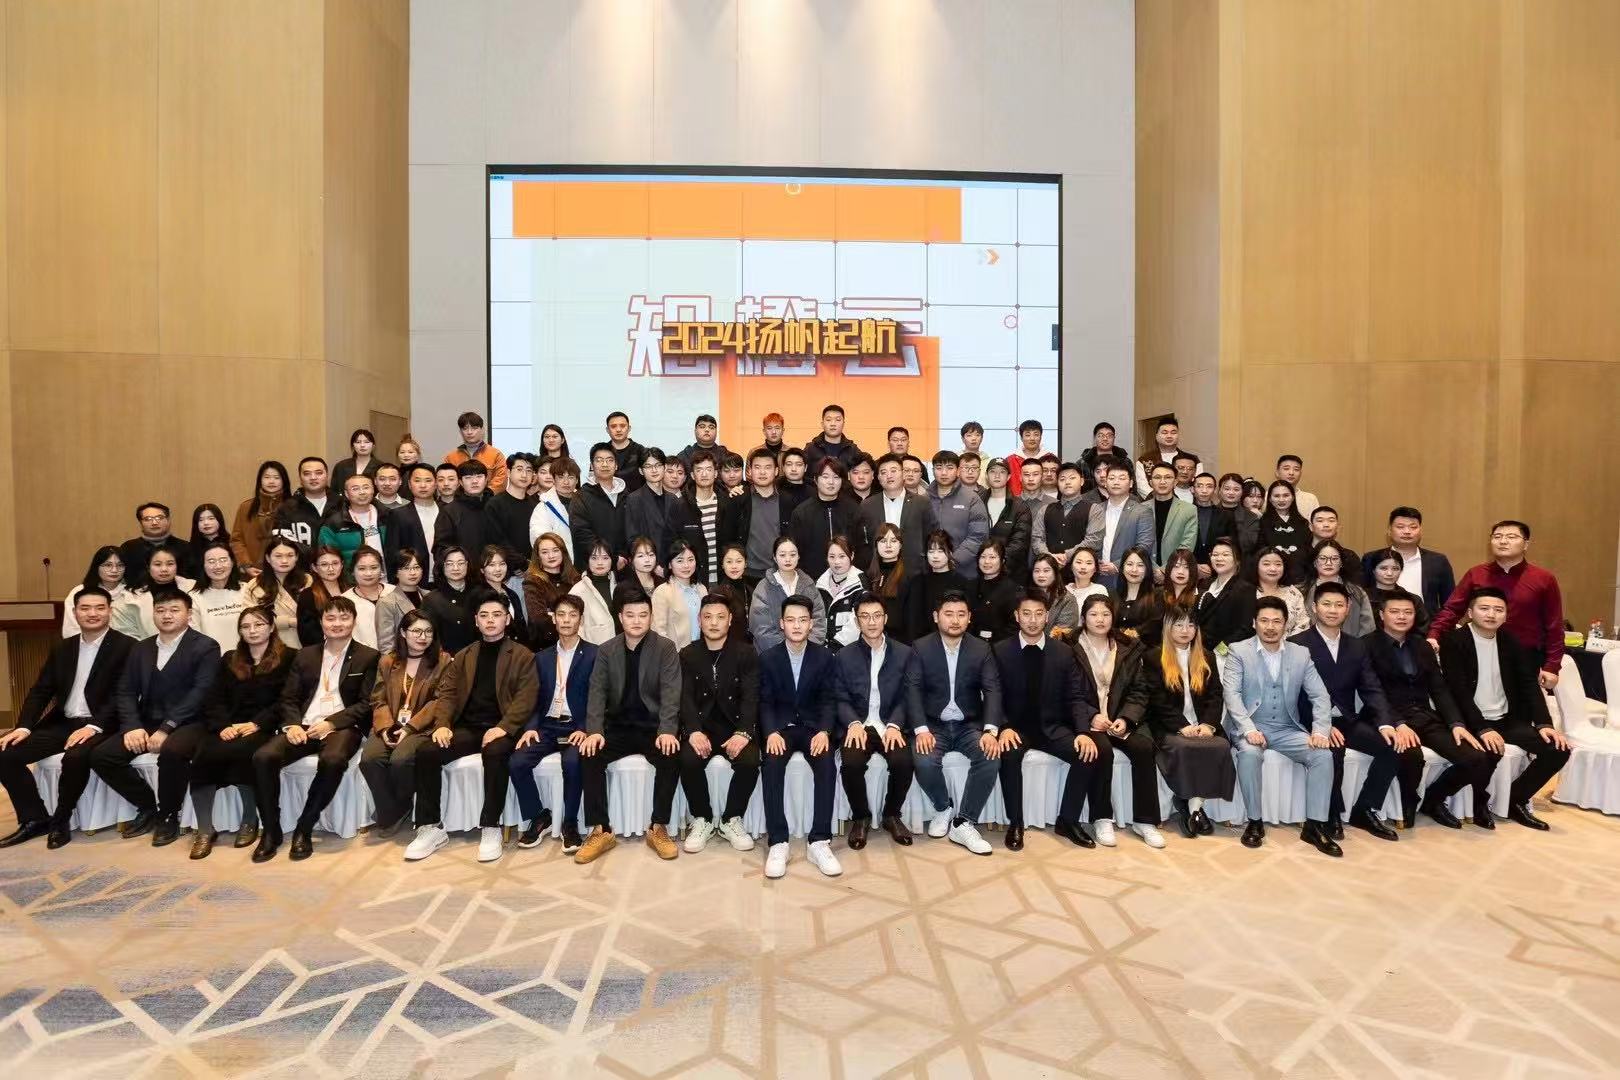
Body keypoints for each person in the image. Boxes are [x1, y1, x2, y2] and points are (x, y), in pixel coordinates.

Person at [402, 597, 536, 864]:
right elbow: (447, 694)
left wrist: (503, 727)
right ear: (476, 621)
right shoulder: (465, 655)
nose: (490, 620)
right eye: (484, 615)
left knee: (496, 753)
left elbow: (527, 697)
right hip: (468, 727)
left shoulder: (522, 655)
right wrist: (442, 725)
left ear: (507, 619)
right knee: (427, 751)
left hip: (501, 728)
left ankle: (491, 826)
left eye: (496, 614)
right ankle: (430, 827)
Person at [0, 588, 136, 849]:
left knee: (75, 757)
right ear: (75, 612)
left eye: (99, 607)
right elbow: (41, 690)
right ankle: (35, 819)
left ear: (110, 611)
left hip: (104, 723)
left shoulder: (127, 647)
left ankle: (61, 820)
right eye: (85, 608)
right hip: (63, 722)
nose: (92, 613)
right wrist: (24, 727)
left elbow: (123, 694)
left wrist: (94, 726)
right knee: (6, 754)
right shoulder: (63, 647)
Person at [250, 595, 381, 862]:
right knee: (263, 757)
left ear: (354, 621)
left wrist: (332, 723)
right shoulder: (305, 655)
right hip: (304, 725)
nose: (337, 623)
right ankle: (271, 830)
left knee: (333, 759)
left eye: (344, 617)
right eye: (330, 618)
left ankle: (304, 826)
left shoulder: (368, 656)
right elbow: (288, 698)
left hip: (341, 726)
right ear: (321, 622)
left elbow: (367, 703)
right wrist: (292, 725)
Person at [90, 587, 220, 846]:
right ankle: (149, 806)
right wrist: (132, 726)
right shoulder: (141, 648)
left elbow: (200, 692)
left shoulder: (205, 646)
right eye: (160, 610)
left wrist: (166, 728)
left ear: (188, 614)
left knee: (172, 751)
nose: (167, 616)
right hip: (148, 719)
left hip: (191, 721)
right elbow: (126, 690)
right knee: (102, 755)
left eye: (174, 610)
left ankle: (169, 815)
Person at [1437, 588, 1572, 831]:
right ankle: (1464, 802)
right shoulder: (1453, 641)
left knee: (1557, 749)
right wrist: (1482, 728)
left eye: (1498, 610)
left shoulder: (1511, 641)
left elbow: (1529, 684)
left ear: (1506, 615)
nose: (1491, 614)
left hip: (1505, 719)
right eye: (1484, 608)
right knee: (1488, 753)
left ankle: (1515, 800)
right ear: (1470, 612)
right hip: (1469, 720)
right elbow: (1458, 691)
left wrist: (1544, 724)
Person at [992, 589, 1112, 851]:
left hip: (1052, 727)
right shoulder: (1000, 651)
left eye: (1039, 614)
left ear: (1047, 617)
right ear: (1016, 616)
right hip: (1016, 728)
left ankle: (1067, 820)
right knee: (1008, 754)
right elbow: (993, 694)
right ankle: (1015, 822)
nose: (1033, 620)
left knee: (1087, 752)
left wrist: (1083, 732)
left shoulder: (1063, 652)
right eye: (1026, 614)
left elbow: (1076, 696)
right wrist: (1003, 727)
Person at [1220, 596, 1340, 856]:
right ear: (1254, 623)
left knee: (1323, 755)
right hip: (1251, 725)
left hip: (1287, 728)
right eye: (1264, 621)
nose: (1270, 627)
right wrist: (1249, 729)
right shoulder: (1239, 651)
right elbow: (1232, 695)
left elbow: (1320, 695)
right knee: (1249, 754)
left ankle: (1315, 826)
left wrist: (1320, 731)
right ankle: (1254, 822)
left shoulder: (1300, 653)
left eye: (1277, 621)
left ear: (1286, 624)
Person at [573, 588, 683, 864]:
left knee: (671, 754)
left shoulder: (665, 648)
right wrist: (594, 731)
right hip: (617, 726)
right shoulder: (607, 649)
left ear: (651, 617)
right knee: (589, 753)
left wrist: (667, 730)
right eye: (630, 615)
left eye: (643, 615)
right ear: (620, 617)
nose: (637, 620)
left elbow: (671, 693)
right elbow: (597, 692)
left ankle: (658, 827)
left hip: (652, 727)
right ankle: (601, 830)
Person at [1290, 581, 1407, 842]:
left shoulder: (1357, 645)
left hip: (1346, 719)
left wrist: (1386, 723)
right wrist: (1321, 726)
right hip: (1311, 721)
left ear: (1348, 608)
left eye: (1339, 605)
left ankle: (1364, 810)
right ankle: (1330, 814)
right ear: (1314, 607)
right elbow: (1293, 696)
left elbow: (1371, 687)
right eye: (1326, 604)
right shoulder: (1296, 644)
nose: (1333, 610)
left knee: (1392, 747)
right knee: (1333, 752)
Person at [1366, 590, 1488, 830]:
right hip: (1389, 718)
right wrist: (1397, 723)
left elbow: (1439, 689)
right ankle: (1409, 801)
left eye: (1408, 612)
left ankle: (1433, 800)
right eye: (1395, 612)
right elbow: (1372, 692)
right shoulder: (1366, 645)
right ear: (1381, 615)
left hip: (1424, 716)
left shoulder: (1422, 645)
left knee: (1475, 758)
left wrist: (1456, 723)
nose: (1402, 617)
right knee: (1411, 756)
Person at [184, 607, 296, 858]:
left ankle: (249, 820)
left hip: (264, 726)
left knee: (245, 752)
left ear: (271, 627)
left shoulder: (290, 657)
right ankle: (205, 830)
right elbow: (213, 698)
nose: (252, 631)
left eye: (258, 624)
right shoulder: (230, 659)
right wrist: (223, 726)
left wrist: (257, 724)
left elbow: (286, 700)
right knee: (204, 753)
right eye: (246, 626)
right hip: (228, 726)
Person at [755, 595, 842, 879]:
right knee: (771, 764)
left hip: (813, 728)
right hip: (781, 728)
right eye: (790, 620)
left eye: (802, 620)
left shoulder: (825, 657)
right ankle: (778, 841)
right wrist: (770, 732)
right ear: (781, 623)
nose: (796, 625)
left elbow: (829, 700)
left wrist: (825, 731)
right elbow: (765, 702)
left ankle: (819, 841)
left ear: (811, 624)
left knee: (826, 763)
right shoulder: (768, 658)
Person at [911, 591, 1004, 855]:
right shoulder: (921, 647)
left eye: (961, 614)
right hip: (933, 725)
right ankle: (943, 807)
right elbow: (912, 690)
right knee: (924, 761)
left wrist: (990, 730)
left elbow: (993, 689)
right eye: (949, 614)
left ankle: (964, 822)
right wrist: (920, 729)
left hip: (968, 725)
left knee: (990, 756)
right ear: (936, 617)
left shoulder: (981, 648)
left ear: (969, 618)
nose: (955, 620)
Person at [1069, 594, 1162, 847]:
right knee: (1102, 751)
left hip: (1119, 719)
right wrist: (1092, 715)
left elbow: (1139, 690)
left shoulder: (1128, 646)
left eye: (1106, 614)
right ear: (1083, 618)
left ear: (1114, 617)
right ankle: (1101, 817)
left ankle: (1145, 821)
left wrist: (1126, 718)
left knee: (1144, 747)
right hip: (1087, 720)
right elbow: (1066, 691)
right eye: (1094, 614)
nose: (1100, 620)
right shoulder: (1069, 646)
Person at [1138, 605, 1236, 839]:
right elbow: (1157, 700)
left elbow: (1215, 695)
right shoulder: (1153, 656)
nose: (1185, 630)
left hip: (1202, 724)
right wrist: (1182, 726)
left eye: (1191, 625)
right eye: (1179, 625)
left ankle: (1194, 807)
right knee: (1183, 746)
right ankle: (1187, 803)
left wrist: (1209, 724)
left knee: (1220, 745)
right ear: (1168, 627)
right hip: (1168, 725)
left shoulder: (1206, 656)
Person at [1430, 519, 1565, 689]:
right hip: (1479, 654)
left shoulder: (1544, 579)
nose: (1503, 541)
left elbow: (1554, 625)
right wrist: (1434, 634)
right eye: (1497, 536)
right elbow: (1452, 609)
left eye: (1511, 537)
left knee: (1523, 704)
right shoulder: (1476, 574)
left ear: (1526, 544)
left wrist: (1552, 666)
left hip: (1525, 656)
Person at [510, 594, 595, 853]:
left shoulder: (595, 654)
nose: (566, 620)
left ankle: (570, 823)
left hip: (576, 726)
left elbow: (599, 698)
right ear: (553, 619)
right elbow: (533, 698)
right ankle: (539, 816)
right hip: (547, 726)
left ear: (581, 620)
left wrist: (585, 728)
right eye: (561, 614)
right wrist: (530, 728)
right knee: (517, 761)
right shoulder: (541, 657)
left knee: (572, 762)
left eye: (572, 615)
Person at [675, 595, 760, 854]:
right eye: (708, 617)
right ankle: (701, 818)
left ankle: (730, 819)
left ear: (730, 620)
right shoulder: (688, 654)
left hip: (735, 726)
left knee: (750, 761)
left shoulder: (746, 652)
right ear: (699, 620)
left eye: (720, 617)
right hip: (703, 727)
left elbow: (751, 696)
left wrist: (743, 732)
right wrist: (693, 731)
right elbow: (685, 697)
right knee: (687, 760)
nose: (714, 623)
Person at [835, 594, 919, 849]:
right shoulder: (844, 655)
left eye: (877, 616)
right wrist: (852, 723)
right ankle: (860, 817)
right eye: (865, 616)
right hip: (859, 724)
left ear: (885, 618)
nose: (871, 622)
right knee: (851, 763)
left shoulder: (905, 653)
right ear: (856, 621)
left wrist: (895, 725)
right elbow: (839, 696)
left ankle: (891, 815)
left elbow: (908, 696)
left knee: (903, 761)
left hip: (889, 724)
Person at [359, 612, 448, 837]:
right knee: (370, 759)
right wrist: (385, 728)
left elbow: (439, 701)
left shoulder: (443, 661)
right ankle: (395, 810)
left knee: (401, 760)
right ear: (403, 633)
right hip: (389, 723)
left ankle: (397, 807)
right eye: (416, 631)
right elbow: (378, 699)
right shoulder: (388, 661)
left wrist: (409, 728)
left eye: (428, 632)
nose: (423, 637)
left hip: (421, 727)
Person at [1361, 506, 1456, 614]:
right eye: (1400, 527)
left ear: (1420, 530)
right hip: (1380, 621)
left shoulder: (1438, 561)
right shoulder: (1371, 558)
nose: (1407, 531)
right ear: (1390, 530)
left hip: (1426, 622)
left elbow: (1450, 603)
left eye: (1413, 527)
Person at [720, 446, 794, 582]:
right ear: (749, 471)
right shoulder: (738, 499)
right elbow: (727, 538)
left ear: (776, 471)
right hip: (746, 573)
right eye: (757, 467)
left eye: (768, 467)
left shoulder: (787, 501)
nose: (762, 472)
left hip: (779, 572)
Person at [855, 452, 937, 573]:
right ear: (878, 477)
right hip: (879, 572)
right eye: (883, 472)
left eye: (893, 471)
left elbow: (931, 536)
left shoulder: (921, 503)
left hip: (914, 571)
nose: (889, 476)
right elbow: (862, 542)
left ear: (903, 474)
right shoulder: (867, 505)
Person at [1081, 463, 1154, 588]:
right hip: (1097, 577)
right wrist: (1094, 563)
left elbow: (1144, 546)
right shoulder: (1096, 510)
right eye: (1111, 478)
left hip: (1128, 577)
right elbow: (1088, 540)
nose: (1116, 482)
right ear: (1105, 483)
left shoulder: (1142, 511)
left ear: (1131, 483)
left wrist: (1117, 565)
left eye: (1122, 478)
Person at [748, 537, 828, 649]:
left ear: (798, 556)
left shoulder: (809, 585)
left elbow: (818, 623)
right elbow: (761, 629)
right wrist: (786, 652)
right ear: (775, 557)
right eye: (782, 555)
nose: (788, 559)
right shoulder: (763, 588)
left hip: (808, 653)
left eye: (792, 555)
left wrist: (805, 650)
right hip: (773, 653)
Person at [791, 458, 861, 579]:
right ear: (815, 480)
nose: (831, 482)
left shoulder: (853, 509)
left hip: (849, 579)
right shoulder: (802, 513)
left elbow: (860, 548)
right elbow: (795, 551)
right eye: (825, 476)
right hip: (812, 580)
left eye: (836, 477)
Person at [898, 530, 972, 642]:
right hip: (921, 643)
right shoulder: (917, 582)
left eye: (941, 551)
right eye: (931, 551)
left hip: (954, 641)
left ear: (950, 553)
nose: (935, 556)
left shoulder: (962, 582)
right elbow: (911, 619)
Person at [393, 463, 458, 587]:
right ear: (409, 484)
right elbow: (393, 551)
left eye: (428, 480)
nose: (423, 485)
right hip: (413, 581)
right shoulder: (398, 515)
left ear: (435, 484)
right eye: (417, 481)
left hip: (446, 579)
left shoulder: (449, 512)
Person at [111, 548, 196, 640]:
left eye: (170, 564)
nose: (164, 569)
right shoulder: (131, 596)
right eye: (157, 564)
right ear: (148, 567)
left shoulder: (193, 588)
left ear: (177, 566)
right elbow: (126, 635)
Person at [926, 451, 990, 572]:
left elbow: (978, 536)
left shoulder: (972, 498)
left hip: (963, 570)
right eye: (939, 468)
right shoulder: (923, 499)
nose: (944, 473)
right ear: (933, 470)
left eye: (950, 468)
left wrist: (953, 560)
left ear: (958, 470)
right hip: (930, 570)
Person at [668, 450, 725, 584]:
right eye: (699, 470)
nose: (704, 474)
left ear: (716, 473)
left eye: (708, 469)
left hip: (723, 577)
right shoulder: (681, 505)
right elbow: (673, 542)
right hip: (693, 579)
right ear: (693, 475)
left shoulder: (726, 502)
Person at [317, 474, 391, 574]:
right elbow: (327, 557)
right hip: (351, 579)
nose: (362, 492)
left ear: (373, 490)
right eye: (355, 489)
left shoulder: (388, 516)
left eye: (366, 487)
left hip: (388, 578)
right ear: (346, 494)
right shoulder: (334, 523)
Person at [245, 538, 309, 649]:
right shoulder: (254, 585)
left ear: (297, 557)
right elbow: (250, 619)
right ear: (268, 558)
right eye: (278, 556)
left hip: (307, 644)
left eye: (290, 555)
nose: (284, 561)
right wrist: (289, 622)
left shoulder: (308, 580)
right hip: (271, 646)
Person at [1301, 541, 1375, 636]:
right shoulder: (1301, 591)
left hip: (1351, 644)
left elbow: (1368, 628)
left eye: (1335, 559)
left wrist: (1355, 644)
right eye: (1322, 558)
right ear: (1314, 562)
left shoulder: (1356, 592)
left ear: (1341, 563)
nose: (1328, 563)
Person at [1193, 538, 1255, 648]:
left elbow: (1245, 629)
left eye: (1225, 555)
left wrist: (1219, 651)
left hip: (1225, 652)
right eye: (1215, 555)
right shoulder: (1204, 584)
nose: (1219, 558)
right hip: (1197, 648)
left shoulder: (1245, 589)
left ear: (1237, 560)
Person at [522, 532, 579, 650]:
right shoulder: (533, 581)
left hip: (576, 643)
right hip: (547, 646)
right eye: (544, 552)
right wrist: (570, 620)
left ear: (563, 552)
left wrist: (553, 615)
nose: (551, 556)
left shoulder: (575, 579)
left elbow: (584, 614)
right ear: (538, 557)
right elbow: (538, 618)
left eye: (555, 550)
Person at [189, 542, 250, 652]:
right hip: (211, 657)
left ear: (232, 562)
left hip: (246, 656)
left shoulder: (247, 590)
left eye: (223, 560)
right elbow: (195, 636)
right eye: (211, 561)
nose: (218, 566)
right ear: (203, 565)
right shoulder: (194, 597)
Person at [231, 460, 292, 569]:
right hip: (252, 570)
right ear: (260, 480)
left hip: (285, 569)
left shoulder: (293, 507)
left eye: (276, 478)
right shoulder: (246, 507)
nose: (271, 481)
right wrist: (246, 565)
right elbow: (237, 540)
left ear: (284, 481)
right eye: (267, 477)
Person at [485, 452, 539, 573]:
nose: (524, 475)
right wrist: (521, 563)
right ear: (508, 472)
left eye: (529, 471)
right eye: (519, 469)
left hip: (534, 569)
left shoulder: (536, 505)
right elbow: (497, 540)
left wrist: (532, 565)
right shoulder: (495, 504)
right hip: (505, 571)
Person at [420, 546, 479, 654]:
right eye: (450, 564)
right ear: (442, 566)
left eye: (460, 563)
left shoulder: (480, 594)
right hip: (447, 659)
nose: (456, 568)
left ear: (467, 565)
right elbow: (429, 637)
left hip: (478, 656)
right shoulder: (431, 600)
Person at [119, 503, 191, 589]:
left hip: (179, 594)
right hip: (137, 595)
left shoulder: (185, 547)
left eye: (159, 518)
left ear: (168, 520)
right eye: (148, 519)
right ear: (140, 523)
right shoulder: (128, 548)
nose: (154, 522)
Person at [623, 447, 676, 561]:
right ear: (641, 471)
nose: (654, 470)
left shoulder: (673, 499)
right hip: (648, 563)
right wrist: (651, 562)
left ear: (665, 467)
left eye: (658, 465)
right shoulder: (633, 499)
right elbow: (632, 538)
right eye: (648, 466)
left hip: (673, 563)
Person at [983, 457, 1033, 576]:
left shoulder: (1020, 506)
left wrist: (997, 560)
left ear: (1009, 476)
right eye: (993, 471)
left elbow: (1020, 542)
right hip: (982, 569)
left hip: (1011, 572)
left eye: (1002, 472)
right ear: (986, 476)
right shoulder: (977, 502)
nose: (997, 475)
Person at [1144, 463, 1196, 575]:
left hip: (1176, 571)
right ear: (1151, 482)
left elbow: (1187, 545)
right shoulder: (1140, 509)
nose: (1162, 482)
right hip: (1146, 571)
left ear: (1175, 482)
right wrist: (1153, 570)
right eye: (1157, 477)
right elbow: (1138, 543)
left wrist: (1165, 570)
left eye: (1168, 477)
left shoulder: (1189, 510)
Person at [65, 547, 128, 638]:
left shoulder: (133, 593)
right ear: (96, 567)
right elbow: (71, 629)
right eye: (108, 565)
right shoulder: (80, 591)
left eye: (120, 565)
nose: (114, 570)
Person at [651, 541, 705, 647]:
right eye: (680, 561)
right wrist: (671, 653)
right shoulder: (662, 592)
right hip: (675, 652)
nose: (686, 565)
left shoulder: (701, 589)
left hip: (701, 651)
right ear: (670, 565)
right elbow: (658, 631)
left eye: (691, 560)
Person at [965, 539, 1021, 643]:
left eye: (992, 557)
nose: (987, 561)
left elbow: (1014, 625)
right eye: (983, 557)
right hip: (971, 643)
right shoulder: (970, 586)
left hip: (1001, 645)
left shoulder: (1012, 589)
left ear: (1002, 561)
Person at [817, 536, 866, 650]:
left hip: (851, 649)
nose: (836, 562)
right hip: (822, 649)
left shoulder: (861, 583)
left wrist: (836, 646)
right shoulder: (819, 584)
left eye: (842, 556)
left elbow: (858, 621)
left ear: (852, 556)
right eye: (832, 557)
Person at [340, 548, 395, 651]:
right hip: (362, 658)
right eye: (362, 568)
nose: (369, 573)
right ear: (352, 571)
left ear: (381, 570)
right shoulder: (343, 601)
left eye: (374, 567)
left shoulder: (395, 592)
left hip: (398, 656)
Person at [1134, 415, 1202, 498]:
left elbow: (1200, 484)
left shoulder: (1193, 460)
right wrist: (1162, 499)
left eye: (1173, 432)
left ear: (1178, 435)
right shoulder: (1144, 460)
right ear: (1156, 436)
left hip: (1187, 501)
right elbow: (1142, 488)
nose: (1169, 436)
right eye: (1164, 432)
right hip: (1156, 502)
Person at [271, 457, 332, 548]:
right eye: (307, 474)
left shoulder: (341, 504)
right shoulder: (286, 508)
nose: (313, 477)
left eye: (319, 473)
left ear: (327, 476)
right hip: (301, 557)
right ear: (300, 478)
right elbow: (281, 545)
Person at [1367, 547, 1431, 634]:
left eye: (1395, 569)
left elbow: (1422, 629)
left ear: (1401, 571)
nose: (1389, 573)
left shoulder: (1413, 599)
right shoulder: (1362, 597)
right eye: (1384, 568)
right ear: (1373, 570)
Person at [296, 546, 351, 646]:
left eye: (335, 563)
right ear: (314, 568)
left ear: (342, 564)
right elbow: (307, 635)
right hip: (324, 650)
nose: (331, 569)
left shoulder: (352, 590)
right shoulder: (308, 596)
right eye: (324, 564)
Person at [376, 549, 426, 656]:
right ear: (396, 573)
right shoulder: (386, 603)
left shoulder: (429, 596)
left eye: (416, 567)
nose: (413, 572)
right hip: (403, 660)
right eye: (406, 568)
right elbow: (386, 646)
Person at [1048, 547, 1108, 636]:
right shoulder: (1064, 590)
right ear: (1071, 566)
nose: (1083, 567)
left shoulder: (1099, 590)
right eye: (1079, 562)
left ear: (1095, 568)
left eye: (1089, 563)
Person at [568, 539, 619, 645]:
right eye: (594, 558)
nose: (599, 563)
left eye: (605, 558)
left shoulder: (619, 584)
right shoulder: (577, 591)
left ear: (612, 560)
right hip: (594, 649)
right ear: (587, 560)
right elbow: (572, 627)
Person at [529, 456, 579, 562]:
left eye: (570, 477)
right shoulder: (543, 508)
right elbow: (540, 540)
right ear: (554, 479)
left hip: (586, 563)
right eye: (561, 477)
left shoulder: (586, 503)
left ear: (577, 480)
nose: (566, 482)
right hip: (558, 564)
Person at [1255, 481, 1309, 581]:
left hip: (1299, 576)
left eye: (1286, 495)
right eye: (1276, 496)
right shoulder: (1262, 522)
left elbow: (1307, 550)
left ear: (1293, 497)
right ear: (1270, 499)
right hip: (1271, 576)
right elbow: (1260, 550)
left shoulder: (1303, 523)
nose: (1281, 500)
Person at [444, 410, 508, 493]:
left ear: (482, 430)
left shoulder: (496, 455)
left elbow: (501, 481)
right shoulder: (451, 458)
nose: (469, 432)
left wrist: (485, 495)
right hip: (459, 499)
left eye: (474, 428)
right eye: (465, 429)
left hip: (488, 499)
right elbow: (447, 481)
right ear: (460, 432)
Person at [476, 547, 527, 645]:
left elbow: (521, 627)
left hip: (517, 649)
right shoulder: (477, 596)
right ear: (482, 570)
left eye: (502, 564)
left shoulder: (512, 594)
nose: (498, 569)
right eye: (491, 565)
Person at [1253, 547, 1309, 635]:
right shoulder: (1246, 593)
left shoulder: (1293, 593)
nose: (1273, 569)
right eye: (1266, 564)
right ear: (1256, 566)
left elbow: (1303, 624)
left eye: (1278, 564)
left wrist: (1287, 642)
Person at [1190, 473, 1236, 577]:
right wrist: (1193, 565)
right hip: (1189, 568)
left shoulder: (1226, 515)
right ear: (1192, 489)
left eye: (1209, 486)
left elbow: (1231, 545)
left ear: (1215, 490)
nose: (1204, 490)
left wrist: (1211, 566)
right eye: (1199, 486)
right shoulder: (1184, 513)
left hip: (1218, 569)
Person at [865, 525, 907, 630]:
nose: (888, 545)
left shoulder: (909, 576)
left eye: (893, 541)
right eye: (883, 541)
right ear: (876, 545)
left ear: (900, 545)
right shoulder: (869, 576)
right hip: (872, 633)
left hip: (899, 636)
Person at [803, 403, 863, 473]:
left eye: (838, 420)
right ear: (822, 424)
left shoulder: (852, 450)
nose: (833, 424)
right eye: (828, 420)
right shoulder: (811, 448)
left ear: (843, 424)